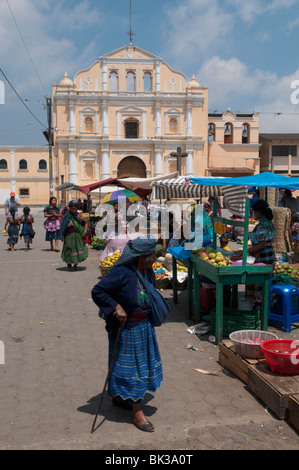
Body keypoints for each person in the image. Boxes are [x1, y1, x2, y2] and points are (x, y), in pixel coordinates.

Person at [91, 236, 163, 433]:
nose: (155, 258)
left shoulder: (147, 272)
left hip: (144, 328)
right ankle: (137, 411)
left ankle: (121, 397)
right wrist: (116, 306)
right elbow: (98, 291)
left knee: (140, 368)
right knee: (132, 371)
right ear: (140, 257)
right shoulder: (122, 272)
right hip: (127, 330)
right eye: (152, 255)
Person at [60, 200, 88, 270]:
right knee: (69, 249)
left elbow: (85, 223)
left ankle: (75, 264)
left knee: (77, 249)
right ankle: (68, 262)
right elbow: (63, 226)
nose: (74, 210)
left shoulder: (79, 215)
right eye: (72, 209)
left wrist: (85, 231)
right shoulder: (67, 216)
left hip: (78, 235)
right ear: (70, 208)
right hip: (69, 235)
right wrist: (62, 236)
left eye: (75, 208)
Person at [248, 199, 275, 265]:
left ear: (260, 211)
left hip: (262, 255)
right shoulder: (267, 222)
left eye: (255, 211)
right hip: (267, 253)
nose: (254, 213)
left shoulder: (263, 225)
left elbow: (261, 245)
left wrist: (244, 251)